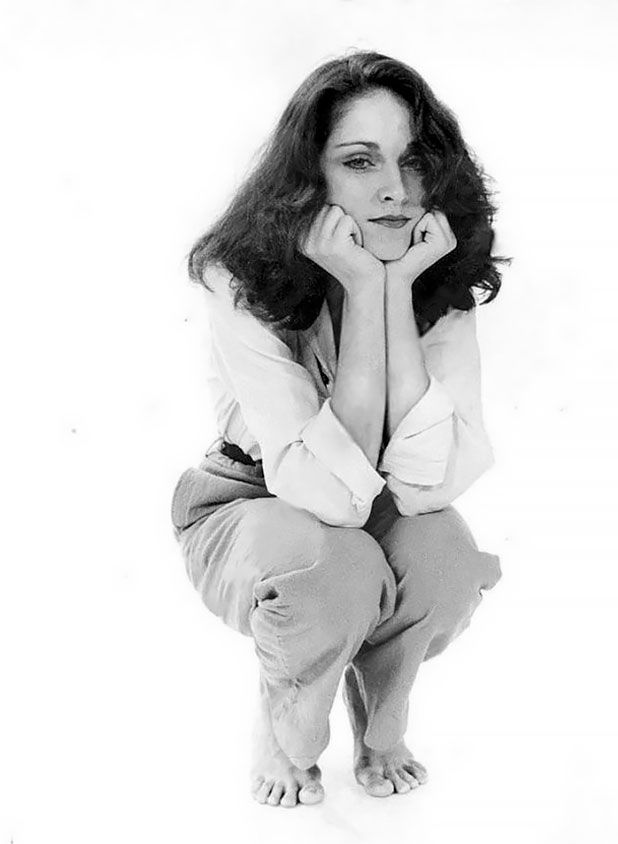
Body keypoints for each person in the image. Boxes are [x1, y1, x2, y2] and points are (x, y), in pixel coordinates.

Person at [170, 49, 510, 808]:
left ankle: (381, 723)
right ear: (310, 176)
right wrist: (360, 286)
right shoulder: (242, 279)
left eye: (413, 160)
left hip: (380, 497)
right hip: (251, 504)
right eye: (360, 162)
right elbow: (325, 496)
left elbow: (430, 483)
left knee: (446, 558)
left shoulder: (439, 276)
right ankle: (289, 720)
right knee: (337, 568)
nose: (395, 190)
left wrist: (389, 289)